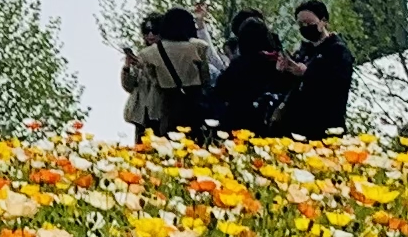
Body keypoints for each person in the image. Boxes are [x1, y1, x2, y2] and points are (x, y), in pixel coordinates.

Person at [118, 8, 214, 138]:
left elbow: (158, 82)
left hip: (163, 109)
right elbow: (129, 86)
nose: (150, 35)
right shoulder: (145, 55)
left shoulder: (149, 55)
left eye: (155, 30)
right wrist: (127, 68)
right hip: (144, 114)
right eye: (147, 31)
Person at [199, 11, 296, 140]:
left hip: (237, 119)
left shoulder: (239, 65)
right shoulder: (277, 62)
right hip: (266, 123)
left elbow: (220, 91)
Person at [285, 0, 355, 138]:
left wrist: (307, 73)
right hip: (300, 125)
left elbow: (337, 83)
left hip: (326, 125)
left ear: (323, 21)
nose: (305, 27)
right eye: (301, 24)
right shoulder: (304, 51)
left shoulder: (337, 50)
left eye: (309, 23)